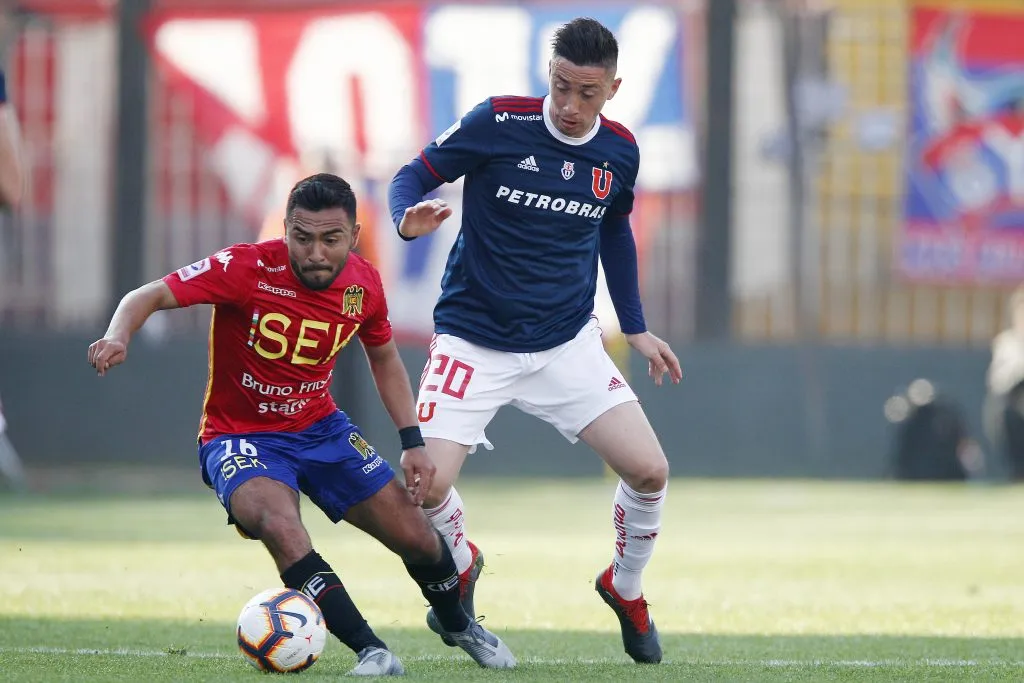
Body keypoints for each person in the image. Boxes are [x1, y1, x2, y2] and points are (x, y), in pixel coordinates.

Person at [88, 174, 516, 675]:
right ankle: (371, 650)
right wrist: (118, 335)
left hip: (321, 429)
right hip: (239, 436)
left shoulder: (364, 284)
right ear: (285, 229)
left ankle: (458, 624)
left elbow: (384, 360)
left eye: (330, 239)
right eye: (302, 236)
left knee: (420, 538)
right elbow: (147, 294)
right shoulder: (245, 266)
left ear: (354, 236)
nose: (314, 252)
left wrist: (413, 442)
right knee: (279, 524)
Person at [387, 17, 681, 664]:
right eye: (561, 87)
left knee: (650, 470)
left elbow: (613, 232)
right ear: (547, 74)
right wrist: (405, 222)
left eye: (588, 93)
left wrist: (633, 326)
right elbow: (412, 175)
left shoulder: (620, 152)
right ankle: (462, 563)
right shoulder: (497, 123)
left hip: (565, 342)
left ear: (614, 89)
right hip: (473, 337)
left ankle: (624, 586)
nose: (571, 106)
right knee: (425, 487)